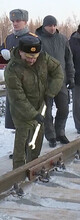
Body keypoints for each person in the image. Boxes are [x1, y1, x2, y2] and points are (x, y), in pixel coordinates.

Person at [4, 35, 64, 169]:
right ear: (20, 52)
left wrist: (50, 93)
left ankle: (33, 167)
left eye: (35, 57)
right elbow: (17, 98)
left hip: (40, 105)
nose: (32, 60)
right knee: (22, 139)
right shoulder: (12, 69)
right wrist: (33, 114)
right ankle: (18, 171)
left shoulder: (43, 58)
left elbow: (58, 71)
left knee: (37, 138)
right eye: (28, 57)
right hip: (21, 110)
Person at [36, 15, 75, 148]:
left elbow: (69, 59)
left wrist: (71, 77)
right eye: (49, 25)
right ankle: (51, 135)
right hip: (45, 82)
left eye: (54, 25)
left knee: (64, 108)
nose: (52, 28)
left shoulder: (62, 39)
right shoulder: (38, 39)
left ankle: (60, 132)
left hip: (61, 81)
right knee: (46, 111)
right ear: (44, 26)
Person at [0, 9, 34, 159]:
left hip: (27, 85)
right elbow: (2, 60)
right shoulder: (9, 39)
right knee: (16, 120)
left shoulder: (33, 39)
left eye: (18, 21)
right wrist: (2, 52)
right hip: (13, 85)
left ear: (25, 21)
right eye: (13, 21)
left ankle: (28, 149)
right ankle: (20, 150)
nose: (15, 23)